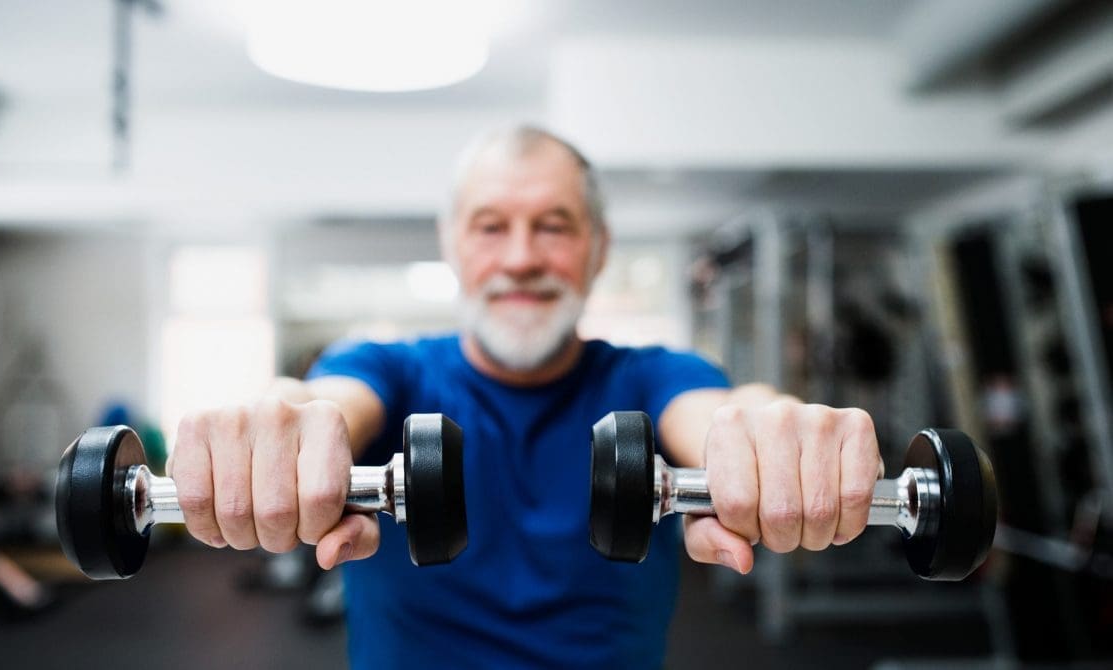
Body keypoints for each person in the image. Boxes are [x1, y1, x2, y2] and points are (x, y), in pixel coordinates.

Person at [167, 126, 882, 668]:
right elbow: (323, 405)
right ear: (452, 245)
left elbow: (721, 416)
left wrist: (768, 429)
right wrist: (282, 421)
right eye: (491, 227)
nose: (520, 258)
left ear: (598, 249)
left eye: (553, 226)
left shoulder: (653, 376)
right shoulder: (386, 367)